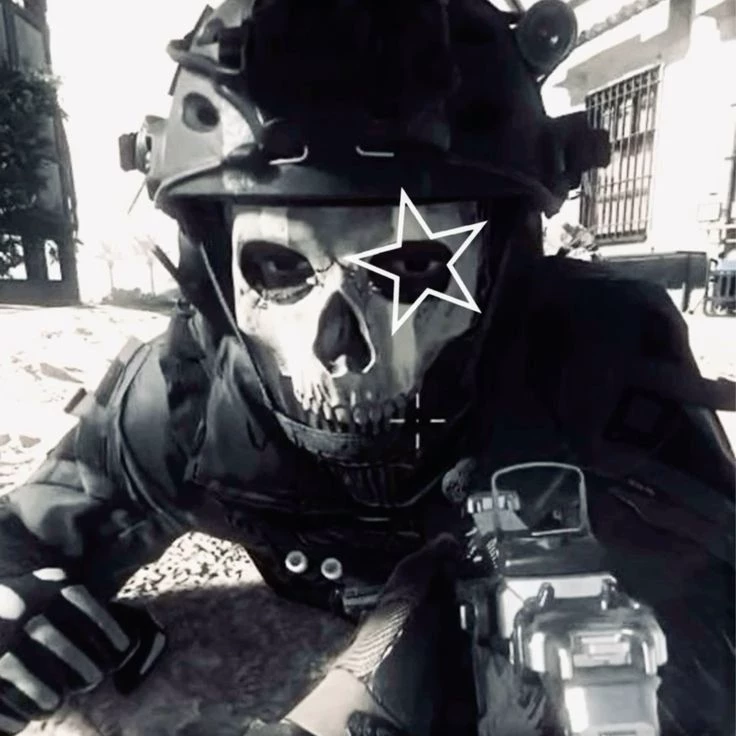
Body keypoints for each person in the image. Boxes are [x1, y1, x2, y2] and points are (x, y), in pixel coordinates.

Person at [0, 0, 734, 734]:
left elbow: (713, 613)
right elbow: (24, 530)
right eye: (280, 267)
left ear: (501, 267)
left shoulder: (590, 361)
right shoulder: (187, 400)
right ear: (217, 279)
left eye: (412, 268)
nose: (340, 348)